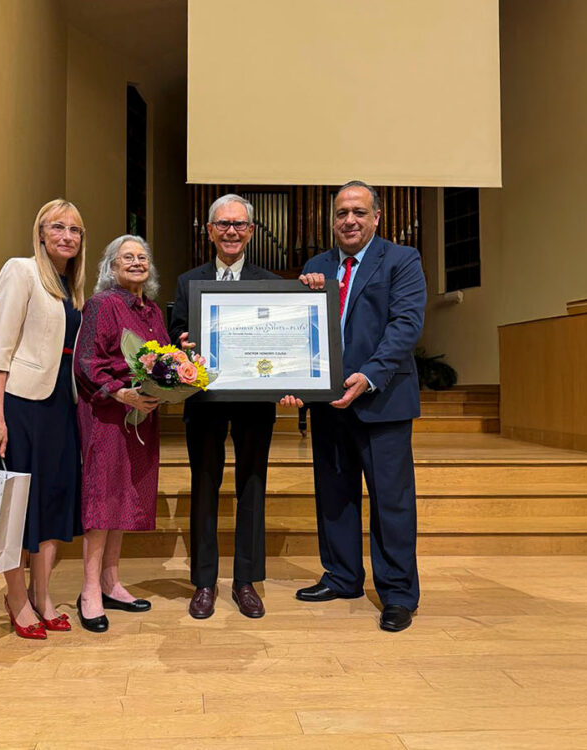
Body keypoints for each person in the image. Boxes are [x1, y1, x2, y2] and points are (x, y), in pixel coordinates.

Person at [284, 180, 427, 633]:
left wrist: (368, 375)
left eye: (359, 212)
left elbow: (405, 326)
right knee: (334, 497)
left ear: (377, 217)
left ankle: (398, 594)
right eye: (342, 212)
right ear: (332, 219)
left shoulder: (402, 261)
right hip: (329, 405)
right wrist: (294, 382)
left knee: (392, 502)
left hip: (382, 400)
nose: (349, 220)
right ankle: (343, 576)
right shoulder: (317, 265)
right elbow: (301, 333)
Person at [168, 194, 280, 620]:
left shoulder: (269, 280)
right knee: (204, 484)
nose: (231, 231)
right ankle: (204, 582)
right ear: (210, 231)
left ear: (251, 231)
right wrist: (182, 345)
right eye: (223, 224)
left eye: (239, 224)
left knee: (252, 484)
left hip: (254, 402)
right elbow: (176, 331)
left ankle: (247, 581)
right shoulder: (188, 281)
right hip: (206, 401)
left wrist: (287, 379)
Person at [0, 199, 87, 640]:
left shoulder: (71, 286)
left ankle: (43, 596)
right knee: (14, 507)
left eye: (75, 230)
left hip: (61, 406)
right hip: (21, 407)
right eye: (57, 227)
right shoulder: (20, 271)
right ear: (41, 232)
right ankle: (17, 598)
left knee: (51, 501)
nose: (67, 236)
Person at [74, 234, 169, 633]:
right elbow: (87, 362)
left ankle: (112, 582)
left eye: (142, 257)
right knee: (103, 500)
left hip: (140, 417)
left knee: (124, 495)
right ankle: (89, 590)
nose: (135, 262)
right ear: (110, 268)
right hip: (109, 413)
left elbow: (163, 358)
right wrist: (120, 393)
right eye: (126, 257)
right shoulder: (102, 304)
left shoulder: (152, 311)